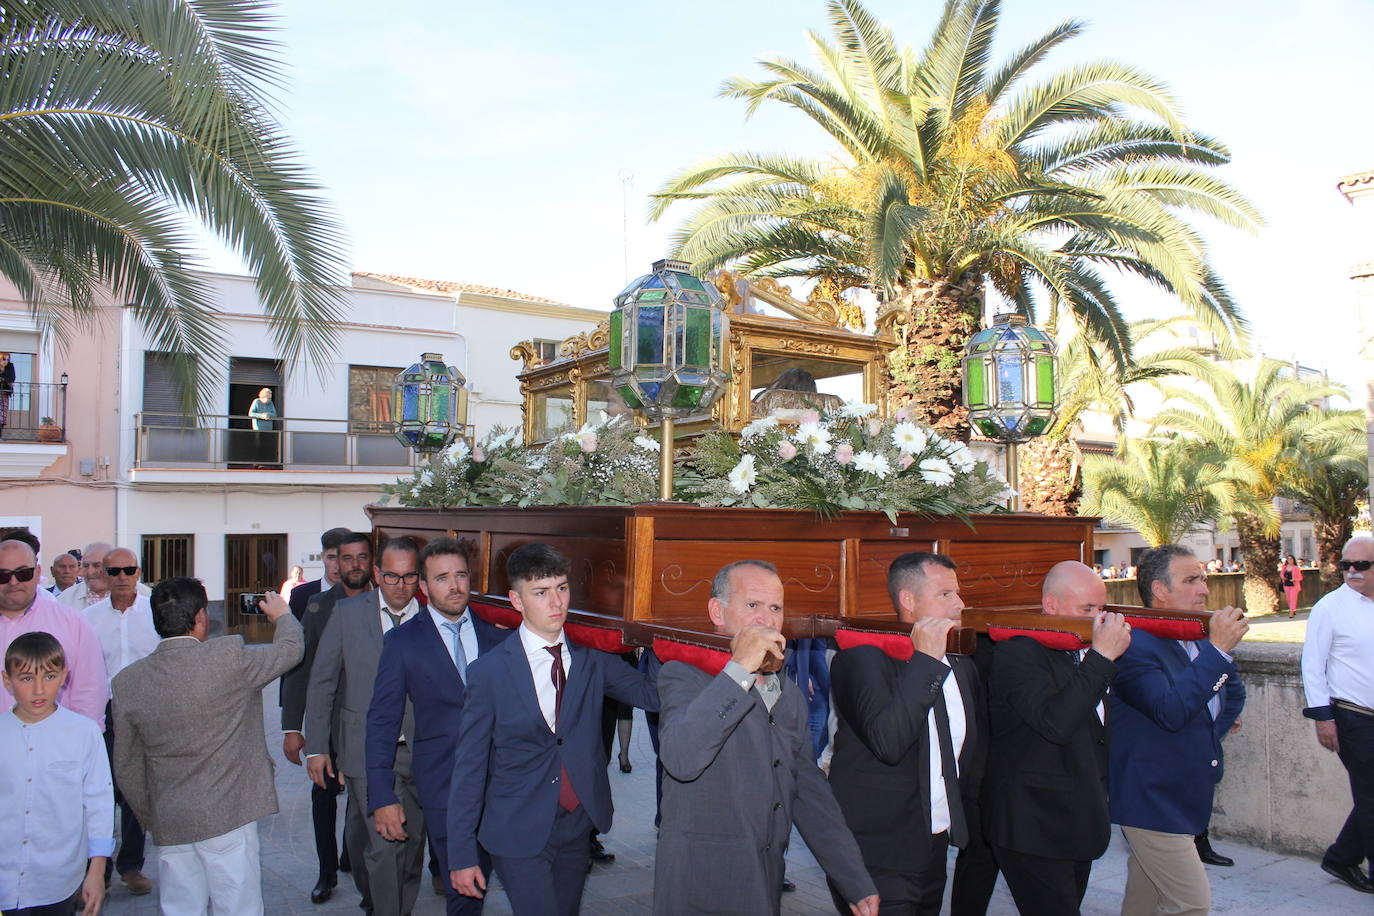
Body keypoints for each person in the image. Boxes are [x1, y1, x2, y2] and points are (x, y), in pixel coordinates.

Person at [653, 559, 878, 916]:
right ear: (717, 612)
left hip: (764, 884)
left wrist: (853, 878)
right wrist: (739, 669)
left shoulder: (788, 695)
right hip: (700, 886)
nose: (767, 619)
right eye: (752, 605)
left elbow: (808, 790)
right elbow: (681, 758)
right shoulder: (683, 675)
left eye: (775, 608)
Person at [449, 543, 660, 916]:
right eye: (541, 592)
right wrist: (462, 855)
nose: (556, 602)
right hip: (516, 828)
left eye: (562, 588)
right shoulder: (489, 672)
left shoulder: (591, 659)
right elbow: (469, 768)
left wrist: (658, 635)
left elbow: (652, 695)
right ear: (517, 600)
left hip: (576, 825)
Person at [112, 578, 302, 916]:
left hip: (171, 819)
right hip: (228, 814)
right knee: (239, 907)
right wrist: (283, 616)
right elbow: (291, 650)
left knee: (181, 909)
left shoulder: (127, 682)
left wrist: (153, 816)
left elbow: (126, 766)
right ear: (201, 616)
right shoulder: (228, 657)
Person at [827, 551, 983, 915]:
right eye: (945, 594)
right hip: (876, 854)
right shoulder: (861, 659)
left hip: (933, 847)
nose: (959, 604)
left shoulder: (961, 663)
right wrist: (926, 661)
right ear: (909, 600)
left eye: (958, 593)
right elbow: (889, 742)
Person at [366, 537, 513, 915]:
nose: (455, 586)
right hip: (444, 788)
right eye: (442, 578)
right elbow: (382, 721)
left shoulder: (499, 635)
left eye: (461, 575)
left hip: (506, 788)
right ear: (424, 585)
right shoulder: (402, 642)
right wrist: (382, 795)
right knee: (463, 896)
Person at [984, 560, 1131, 916]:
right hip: (1033, 824)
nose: (1099, 619)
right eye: (1088, 609)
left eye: (1102, 609)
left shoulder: (1083, 649)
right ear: (1051, 605)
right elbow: (1056, 723)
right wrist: (1101, 658)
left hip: (1077, 820)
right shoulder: (1019, 652)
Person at [1110, 545, 1248, 915]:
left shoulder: (1196, 635)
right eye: (1191, 580)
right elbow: (1169, 711)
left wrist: (1205, 733)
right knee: (1191, 905)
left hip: (1183, 793)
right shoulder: (1134, 644)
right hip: (1150, 799)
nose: (1204, 588)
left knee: (1144, 900)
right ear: (1159, 590)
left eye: (1203, 578)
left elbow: (1233, 693)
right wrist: (1217, 651)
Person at [307, 537, 425, 916]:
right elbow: (323, 681)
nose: (400, 586)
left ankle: (394, 905)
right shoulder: (347, 613)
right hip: (361, 748)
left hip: (419, 751)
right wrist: (317, 747)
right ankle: (382, 905)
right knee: (383, 845)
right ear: (377, 572)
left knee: (412, 844)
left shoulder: (432, 617)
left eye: (409, 577)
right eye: (391, 576)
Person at [281, 528, 367, 904]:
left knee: (365, 797)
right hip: (327, 723)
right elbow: (299, 667)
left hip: (367, 723)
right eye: (333, 557)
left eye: (347, 557)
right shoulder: (314, 603)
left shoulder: (382, 601)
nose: (340, 565)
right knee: (324, 796)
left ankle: (355, 860)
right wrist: (291, 726)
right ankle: (326, 872)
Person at [1, 632, 113, 916]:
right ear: (7, 681)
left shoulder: (84, 733)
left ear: (64, 676)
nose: (39, 689)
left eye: (49, 677)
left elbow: (98, 803)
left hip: (57, 880)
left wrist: (96, 870)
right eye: (26, 678)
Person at [82, 547, 160, 897]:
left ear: (138, 572)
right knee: (100, 788)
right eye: (114, 571)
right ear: (104, 575)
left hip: (145, 712)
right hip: (106, 713)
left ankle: (131, 866)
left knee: (134, 789)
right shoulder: (89, 619)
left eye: (128, 570)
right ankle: (97, 871)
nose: (122, 577)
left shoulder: (155, 612)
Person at [1302, 535, 1374, 895]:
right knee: (1372, 798)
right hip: (1352, 717)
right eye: (1346, 565)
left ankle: (1342, 857)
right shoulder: (1329, 608)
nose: (1352, 571)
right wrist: (1323, 718)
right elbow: (1312, 666)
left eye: (1361, 565)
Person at [0, 538, 109, 730]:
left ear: (38, 573)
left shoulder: (72, 623)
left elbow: (90, 692)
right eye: (3, 575)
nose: (14, 582)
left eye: (23, 573)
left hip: (57, 742)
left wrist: (80, 740)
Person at [58, 542, 149, 611]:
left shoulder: (145, 594)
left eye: (97, 565)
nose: (90, 572)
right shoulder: (65, 599)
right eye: (86, 566)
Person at [248, 387, 278, 465]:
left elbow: (275, 414)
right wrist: (261, 415)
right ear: (262, 396)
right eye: (267, 398)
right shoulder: (256, 401)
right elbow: (251, 413)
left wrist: (268, 415)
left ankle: (265, 463)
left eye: (269, 398)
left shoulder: (270, 403)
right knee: (258, 445)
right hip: (258, 428)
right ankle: (256, 463)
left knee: (267, 445)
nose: (268, 400)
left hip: (268, 428)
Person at [1281, 554, 1304, 618]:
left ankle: (1291, 613)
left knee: (1293, 599)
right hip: (1286, 585)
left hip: (1294, 585)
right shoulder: (1284, 567)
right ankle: (1293, 610)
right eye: (1288, 559)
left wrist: (1295, 579)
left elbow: (1300, 577)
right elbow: (1281, 574)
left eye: (1291, 559)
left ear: (1293, 560)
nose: (1290, 560)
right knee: (1288, 599)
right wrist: (1283, 577)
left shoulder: (1296, 568)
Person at [0, 351, 14, 438]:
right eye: (4, 359)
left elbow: (12, 378)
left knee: (2, 416)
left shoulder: (10, 366)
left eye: (8, 359)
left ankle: (0, 435)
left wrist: (3, 379)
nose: (6, 361)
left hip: (4, 393)